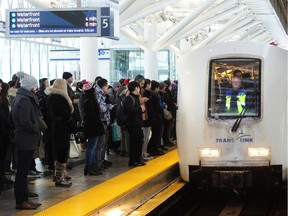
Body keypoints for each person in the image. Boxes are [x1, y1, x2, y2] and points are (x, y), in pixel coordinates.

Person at [11, 71, 41, 210]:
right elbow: (25, 122)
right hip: (25, 139)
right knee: (22, 172)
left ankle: (24, 198)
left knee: (22, 171)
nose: (36, 88)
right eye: (35, 86)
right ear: (30, 86)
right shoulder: (24, 99)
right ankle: (21, 201)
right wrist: (36, 128)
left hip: (24, 138)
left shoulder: (21, 97)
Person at [47, 79, 76, 187]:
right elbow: (66, 116)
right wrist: (73, 126)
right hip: (62, 129)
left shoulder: (50, 97)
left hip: (55, 128)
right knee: (62, 153)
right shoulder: (61, 98)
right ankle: (60, 178)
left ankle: (58, 175)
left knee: (58, 151)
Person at [82, 81, 105, 175]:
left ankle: (92, 166)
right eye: (94, 89)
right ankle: (89, 166)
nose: (95, 90)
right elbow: (92, 116)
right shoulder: (89, 101)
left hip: (93, 127)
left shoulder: (89, 100)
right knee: (91, 148)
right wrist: (98, 125)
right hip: (93, 127)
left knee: (92, 147)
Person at [123, 81, 146, 166]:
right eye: (139, 88)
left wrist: (142, 109)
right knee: (134, 142)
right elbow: (129, 110)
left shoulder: (136, 97)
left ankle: (138, 158)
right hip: (132, 124)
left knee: (139, 141)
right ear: (136, 88)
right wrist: (140, 109)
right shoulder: (129, 98)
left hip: (138, 123)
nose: (140, 89)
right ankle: (133, 160)